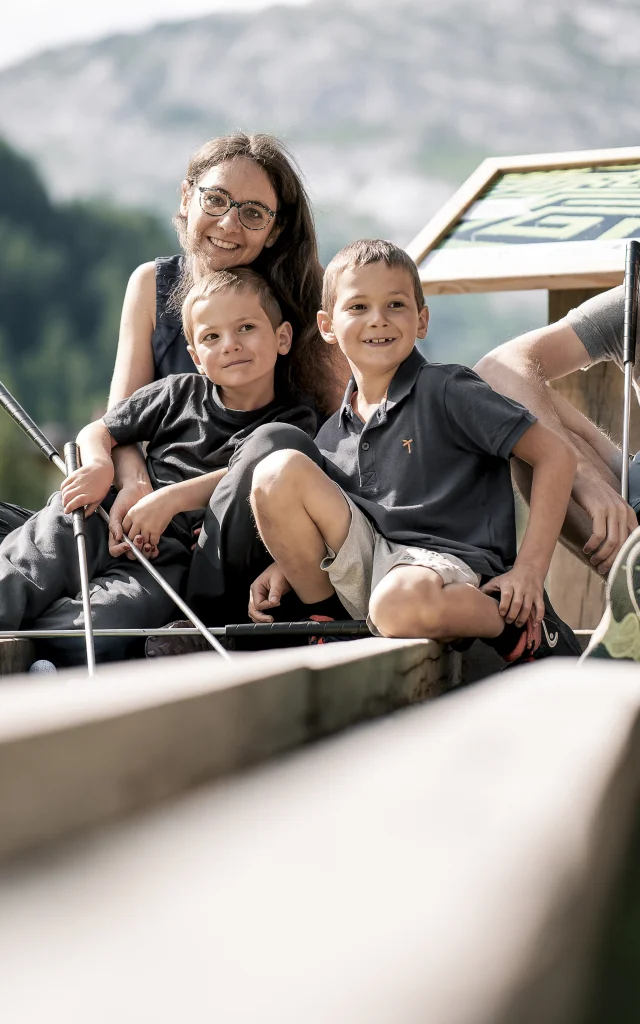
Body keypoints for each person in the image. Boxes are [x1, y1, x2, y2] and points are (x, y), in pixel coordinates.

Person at [0, 131, 343, 554]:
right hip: (146, 505)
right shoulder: (151, 284)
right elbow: (119, 418)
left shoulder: (312, 298)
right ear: (186, 198)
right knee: (50, 529)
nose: (229, 224)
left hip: (236, 535)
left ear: (275, 231)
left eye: (253, 213)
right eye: (215, 199)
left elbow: (344, 437)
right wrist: (135, 484)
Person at [246, 240, 582, 661]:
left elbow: (556, 456)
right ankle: (328, 624)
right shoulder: (333, 432)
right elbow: (337, 522)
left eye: (396, 305)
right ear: (328, 326)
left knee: (396, 604)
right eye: (358, 307)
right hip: (377, 564)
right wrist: (287, 565)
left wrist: (530, 570)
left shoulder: (447, 389)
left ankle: (514, 627)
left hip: (450, 568)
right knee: (277, 471)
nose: (378, 320)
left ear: (421, 320)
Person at [0, 269, 316, 666]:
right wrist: (99, 466)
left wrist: (167, 501)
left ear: (282, 337)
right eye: (212, 337)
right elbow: (99, 430)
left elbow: (253, 475)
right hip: (105, 514)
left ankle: (41, 648)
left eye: (246, 327)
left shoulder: (294, 420)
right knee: (36, 552)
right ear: (197, 357)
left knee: (105, 627)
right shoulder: (177, 391)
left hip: (169, 559)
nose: (230, 345)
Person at [474, 286, 638, 577]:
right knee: (527, 425)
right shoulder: (632, 301)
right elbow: (496, 369)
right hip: (632, 506)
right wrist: (582, 476)